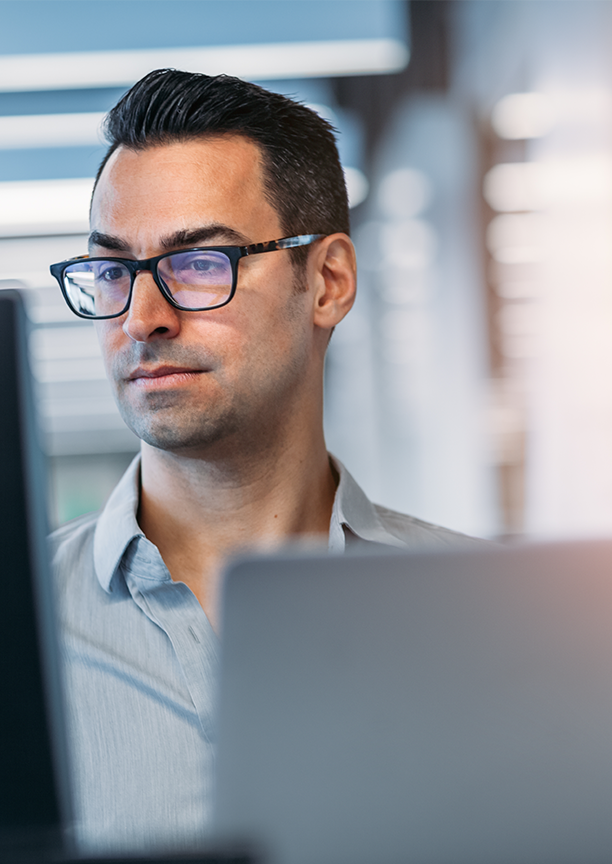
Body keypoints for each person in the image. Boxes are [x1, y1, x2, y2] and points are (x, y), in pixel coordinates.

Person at [47, 68, 474, 854]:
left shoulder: (492, 614)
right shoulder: (6, 637)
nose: (143, 318)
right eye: (113, 272)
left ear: (329, 282)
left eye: (200, 263)